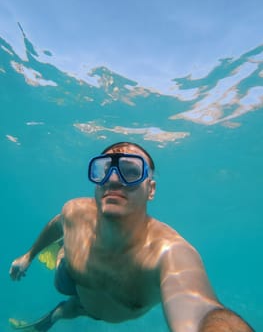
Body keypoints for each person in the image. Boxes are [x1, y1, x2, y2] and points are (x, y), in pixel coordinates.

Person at [9, 141, 254, 332]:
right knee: (61, 283)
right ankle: (64, 251)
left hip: (91, 307)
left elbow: (202, 310)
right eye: (103, 170)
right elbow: (57, 223)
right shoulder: (74, 211)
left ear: (151, 189)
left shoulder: (167, 253)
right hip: (75, 277)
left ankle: (51, 318)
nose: (113, 179)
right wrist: (28, 256)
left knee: (72, 309)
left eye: (130, 171)